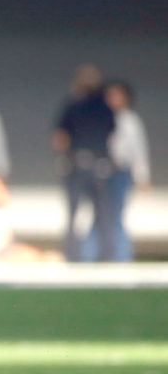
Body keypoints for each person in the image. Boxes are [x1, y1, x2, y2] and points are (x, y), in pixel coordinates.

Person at [52, 65, 115, 261]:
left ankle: (87, 256)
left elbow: (60, 137)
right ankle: (89, 256)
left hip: (86, 164)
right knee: (94, 215)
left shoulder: (86, 105)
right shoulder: (100, 106)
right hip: (89, 164)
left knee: (92, 214)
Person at [82, 81, 150, 261]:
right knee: (98, 215)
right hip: (99, 170)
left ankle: (121, 258)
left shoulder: (130, 120)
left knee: (117, 214)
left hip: (120, 171)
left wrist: (142, 176)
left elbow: (138, 150)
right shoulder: (96, 117)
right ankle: (88, 258)